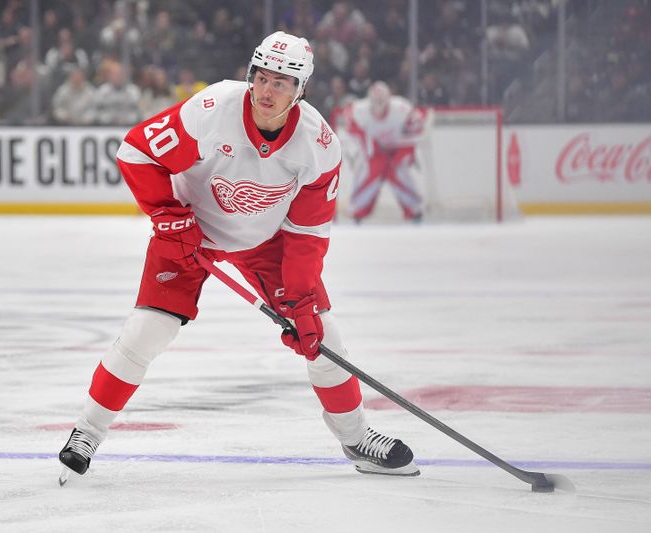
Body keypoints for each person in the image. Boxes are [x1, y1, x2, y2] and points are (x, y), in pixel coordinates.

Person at [58, 31, 419, 483]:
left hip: (267, 242)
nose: (267, 91)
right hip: (189, 234)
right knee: (147, 331)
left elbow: (307, 234)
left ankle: (356, 437)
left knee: (323, 334)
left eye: (281, 83)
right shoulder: (212, 110)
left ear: (300, 89)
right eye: (261, 78)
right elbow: (136, 151)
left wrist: (301, 302)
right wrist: (169, 215)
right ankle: (87, 432)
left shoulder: (319, 145)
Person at [337, 81, 426, 222]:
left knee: (398, 172)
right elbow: (351, 127)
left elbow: (416, 127)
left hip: (397, 148)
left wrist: (404, 150)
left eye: (381, 100)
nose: (378, 104)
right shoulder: (359, 110)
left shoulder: (401, 108)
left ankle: (414, 209)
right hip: (374, 151)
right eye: (375, 100)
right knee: (370, 171)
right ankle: (358, 209)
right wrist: (369, 143)